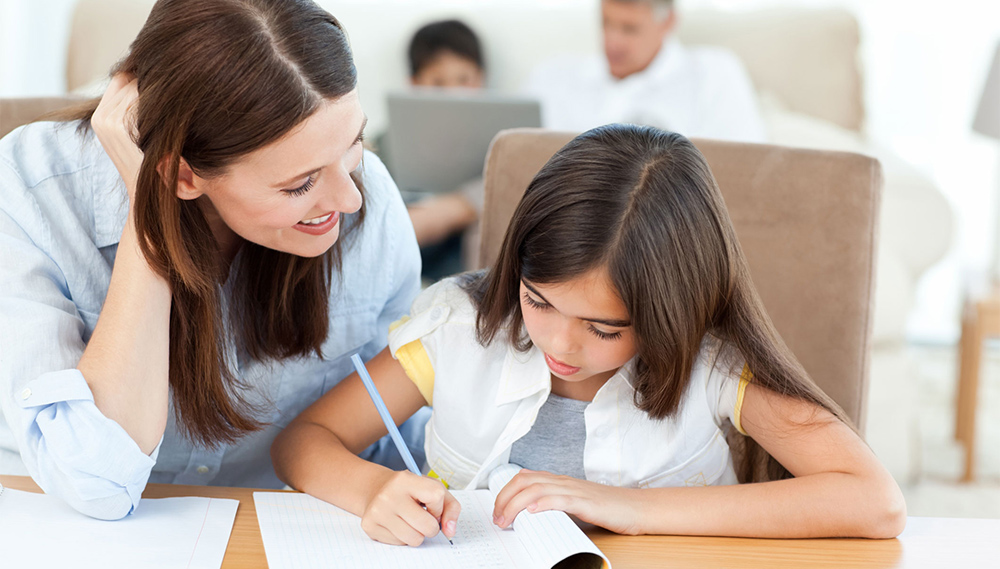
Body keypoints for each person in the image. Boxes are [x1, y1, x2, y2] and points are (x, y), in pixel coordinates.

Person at [271, 124, 906, 546]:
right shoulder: (461, 329)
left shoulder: (713, 365)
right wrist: (372, 490)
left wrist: (624, 507)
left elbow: (873, 501)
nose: (561, 346)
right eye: (537, 301)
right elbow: (304, 440)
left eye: (604, 328)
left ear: (672, 314)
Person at [0, 0, 428, 520]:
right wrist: (148, 215)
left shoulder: (370, 202)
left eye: (354, 141)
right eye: (300, 184)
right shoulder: (28, 193)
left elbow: (394, 434)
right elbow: (98, 487)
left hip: (274, 529)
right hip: (64, 527)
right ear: (183, 175)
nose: (351, 200)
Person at [523, 0, 766, 143]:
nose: (612, 42)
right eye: (605, 23)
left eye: (629, 29)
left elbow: (746, 170)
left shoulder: (713, 75)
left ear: (668, 22)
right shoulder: (552, 77)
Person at [376, 19, 485, 282]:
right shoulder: (389, 141)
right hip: (410, 238)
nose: (452, 92)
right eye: (437, 82)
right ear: (413, 84)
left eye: (464, 80)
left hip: (464, 249)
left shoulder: (500, 140)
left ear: (481, 79)